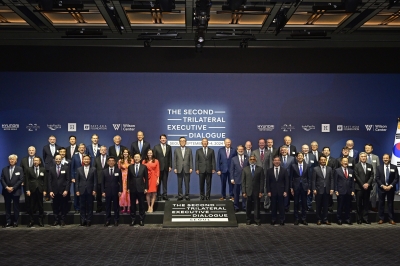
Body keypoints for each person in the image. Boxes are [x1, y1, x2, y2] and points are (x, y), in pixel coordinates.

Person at [1, 154, 24, 227]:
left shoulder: (19, 169)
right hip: (6, 191)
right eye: (10, 159)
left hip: (16, 191)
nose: (11, 160)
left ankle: (15, 221)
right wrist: (6, 187)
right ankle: (8, 221)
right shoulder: (4, 169)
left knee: (16, 207)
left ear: (16, 161)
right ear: (8, 161)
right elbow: (2, 179)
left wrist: (13, 188)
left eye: (13, 159)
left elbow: (21, 179)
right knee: (7, 207)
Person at [376, 154, 399, 225]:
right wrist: (382, 186)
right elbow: (377, 178)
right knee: (381, 203)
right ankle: (381, 218)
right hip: (381, 188)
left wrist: (391, 186)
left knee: (390, 204)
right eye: (384, 158)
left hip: (391, 189)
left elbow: (396, 178)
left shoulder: (394, 167)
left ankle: (391, 219)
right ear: (382, 159)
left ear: (390, 159)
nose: (385, 159)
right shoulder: (379, 167)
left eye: (386, 158)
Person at [20, 146, 43, 215]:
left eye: (32, 150)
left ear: (35, 151)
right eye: (30, 150)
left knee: (36, 197)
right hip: (26, 181)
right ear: (28, 151)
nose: (31, 151)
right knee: (27, 197)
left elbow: (42, 169)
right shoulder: (23, 160)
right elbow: (21, 171)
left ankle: (35, 210)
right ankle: (28, 210)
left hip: (36, 182)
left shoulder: (39, 159)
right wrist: (22, 180)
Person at [242, 155, 264, 225]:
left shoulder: (260, 169)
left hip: (257, 191)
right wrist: (243, 191)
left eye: (253, 159)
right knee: (248, 206)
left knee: (257, 206)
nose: (252, 160)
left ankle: (257, 220)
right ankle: (248, 220)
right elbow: (243, 181)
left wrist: (261, 191)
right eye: (251, 159)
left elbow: (262, 181)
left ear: (256, 160)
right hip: (248, 191)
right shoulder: (245, 169)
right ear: (249, 160)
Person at [48, 154, 70, 226]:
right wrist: (50, 191)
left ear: (61, 159)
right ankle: (56, 220)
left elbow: (68, 180)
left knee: (63, 207)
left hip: (63, 191)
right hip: (54, 191)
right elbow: (49, 181)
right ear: (54, 160)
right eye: (56, 159)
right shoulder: (51, 168)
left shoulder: (66, 168)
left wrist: (66, 190)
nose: (58, 160)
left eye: (59, 159)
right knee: (55, 207)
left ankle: (62, 220)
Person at [266, 156, 289, 226]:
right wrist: (268, 191)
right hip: (272, 191)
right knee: (273, 206)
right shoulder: (269, 170)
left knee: (281, 207)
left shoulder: (284, 170)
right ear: (273, 162)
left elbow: (287, 182)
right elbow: (267, 182)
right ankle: (273, 219)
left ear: (280, 162)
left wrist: (286, 191)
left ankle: (282, 220)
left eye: (278, 160)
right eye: (275, 160)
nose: (276, 162)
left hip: (281, 191)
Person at [76, 154, 97, 227]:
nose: (86, 160)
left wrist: (94, 190)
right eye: (85, 159)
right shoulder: (79, 169)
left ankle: (89, 220)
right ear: (83, 160)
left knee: (90, 206)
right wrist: (77, 190)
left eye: (88, 159)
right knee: (82, 206)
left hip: (90, 190)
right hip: (81, 190)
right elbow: (77, 181)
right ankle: (82, 220)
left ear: (90, 160)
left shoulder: (93, 169)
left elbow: (95, 181)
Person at [25, 157, 47, 227]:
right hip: (32, 190)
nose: (35, 162)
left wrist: (44, 190)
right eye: (34, 160)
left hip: (40, 190)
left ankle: (40, 220)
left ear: (40, 162)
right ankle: (31, 220)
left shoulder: (43, 169)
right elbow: (27, 181)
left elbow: (45, 181)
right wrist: (27, 190)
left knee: (40, 206)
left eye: (37, 160)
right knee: (31, 206)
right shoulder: (29, 169)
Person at [127, 154, 148, 226]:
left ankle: (141, 220)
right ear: (133, 158)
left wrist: (146, 188)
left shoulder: (144, 167)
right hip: (132, 189)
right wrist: (128, 188)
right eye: (135, 157)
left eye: (138, 157)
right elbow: (128, 179)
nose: (136, 158)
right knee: (132, 205)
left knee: (142, 205)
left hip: (141, 188)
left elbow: (146, 178)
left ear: (140, 158)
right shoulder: (130, 167)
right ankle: (133, 219)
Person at [312, 155, 334, 225]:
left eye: (324, 160)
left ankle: (325, 219)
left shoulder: (329, 169)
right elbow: (313, 180)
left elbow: (331, 179)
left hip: (327, 190)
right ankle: (318, 219)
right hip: (318, 190)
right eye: (321, 160)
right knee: (318, 205)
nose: (323, 161)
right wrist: (314, 189)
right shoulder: (315, 169)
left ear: (326, 161)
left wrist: (332, 188)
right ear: (319, 161)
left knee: (326, 206)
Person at [290, 153, 310, 225]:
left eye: (301, 156)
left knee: (304, 204)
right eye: (299, 156)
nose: (300, 157)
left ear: (303, 157)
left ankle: (304, 219)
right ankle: (296, 219)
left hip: (304, 187)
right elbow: (291, 177)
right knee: (296, 203)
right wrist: (291, 187)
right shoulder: (293, 166)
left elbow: (308, 178)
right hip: (296, 186)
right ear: (296, 158)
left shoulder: (307, 165)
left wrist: (309, 188)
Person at [354, 152, 374, 224]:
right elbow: (356, 176)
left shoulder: (370, 166)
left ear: (366, 158)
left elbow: (372, 176)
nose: (363, 158)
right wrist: (363, 184)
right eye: (362, 156)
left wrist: (368, 184)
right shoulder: (356, 166)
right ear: (359, 157)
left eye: (365, 156)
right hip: (359, 188)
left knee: (366, 203)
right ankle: (359, 218)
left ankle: (365, 218)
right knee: (358, 204)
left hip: (367, 188)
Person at [102, 156, 122, 226]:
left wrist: (120, 191)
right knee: (107, 206)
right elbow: (102, 182)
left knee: (116, 206)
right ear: (107, 162)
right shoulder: (104, 171)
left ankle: (116, 220)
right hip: (107, 191)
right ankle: (108, 220)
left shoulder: (118, 170)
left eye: (112, 161)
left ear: (115, 162)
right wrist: (103, 191)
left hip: (115, 191)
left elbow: (120, 181)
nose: (111, 162)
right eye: (109, 161)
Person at [334, 157, 355, 225]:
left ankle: (347, 219)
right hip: (340, 191)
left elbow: (352, 182)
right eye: (344, 161)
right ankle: (339, 219)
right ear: (341, 162)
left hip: (349, 191)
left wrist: (353, 190)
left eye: (346, 161)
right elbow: (335, 181)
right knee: (340, 206)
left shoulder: (351, 171)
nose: (345, 163)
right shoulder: (337, 170)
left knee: (348, 206)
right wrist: (336, 190)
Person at [153, 134, 172, 201]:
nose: (163, 139)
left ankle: (165, 195)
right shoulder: (156, 147)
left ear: (166, 139)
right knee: (158, 182)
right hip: (158, 168)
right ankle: (158, 195)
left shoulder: (169, 147)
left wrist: (170, 166)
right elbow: (154, 158)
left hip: (166, 167)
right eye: (162, 138)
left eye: (164, 138)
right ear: (160, 139)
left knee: (165, 182)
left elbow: (170, 157)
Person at [230, 145, 248, 212]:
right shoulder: (233, 159)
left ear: (244, 150)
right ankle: (236, 207)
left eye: (242, 149)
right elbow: (231, 170)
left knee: (244, 194)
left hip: (245, 179)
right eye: (239, 149)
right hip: (236, 179)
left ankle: (244, 207)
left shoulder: (247, 158)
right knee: (236, 194)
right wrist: (232, 178)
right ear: (237, 150)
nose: (240, 150)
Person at [42, 135, 60, 201]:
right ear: (48, 140)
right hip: (48, 167)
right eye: (51, 139)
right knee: (47, 181)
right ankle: (47, 196)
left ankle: (55, 194)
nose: (52, 140)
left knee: (55, 181)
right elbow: (44, 157)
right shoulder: (45, 147)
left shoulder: (59, 147)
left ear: (55, 140)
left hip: (56, 166)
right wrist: (47, 163)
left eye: (53, 139)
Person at [71, 143, 86, 213]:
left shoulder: (87, 156)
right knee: (76, 193)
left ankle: (83, 207)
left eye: (83, 147)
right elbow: (72, 168)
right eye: (80, 147)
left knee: (84, 193)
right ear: (78, 149)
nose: (82, 149)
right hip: (76, 177)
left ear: (85, 149)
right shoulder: (75, 156)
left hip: (85, 178)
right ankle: (76, 207)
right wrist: (73, 177)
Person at [364, 143, 380, 212]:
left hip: (374, 179)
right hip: (365, 179)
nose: (367, 149)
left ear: (372, 149)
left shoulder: (376, 157)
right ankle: (365, 207)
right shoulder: (362, 156)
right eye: (366, 148)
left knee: (373, 194)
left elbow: (378, 168)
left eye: (369, 148)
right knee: (365, 194)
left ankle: (373, 206)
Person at [322, 146, 338, 212]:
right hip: (322, 180)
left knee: (330, 195)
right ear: (322, 151)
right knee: (322, 194)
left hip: (330, 179)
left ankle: (330, 207)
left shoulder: (334, 160)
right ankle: (323, 207)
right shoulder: (320, 159)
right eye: (325, 150)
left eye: (327, 150)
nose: (326, 151)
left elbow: (335, 170)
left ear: (329, 152)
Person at [302, 144, 317, 212]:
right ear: (302, 149)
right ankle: (302, 206)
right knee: (302, 193)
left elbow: (316, 167)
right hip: (302, 177)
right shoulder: (299, 156)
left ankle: (309, 206)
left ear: (308, 149)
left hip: (311, 177)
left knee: (310, 192)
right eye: (304, 148)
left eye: (307, 148)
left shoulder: (313, 156)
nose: (305, 150)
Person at [279, 145, 294, 212]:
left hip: (289, 178)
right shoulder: (278, 158)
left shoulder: (292, 158)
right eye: (282, 150)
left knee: (287, 192)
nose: (284, 151)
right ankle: (280, 207)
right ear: (280, 151)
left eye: (285, 150)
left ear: (287, 151)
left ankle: (286, 207)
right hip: (279, 178)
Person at [118, 148, 132, 213]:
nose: (125, 153)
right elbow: (118, 170)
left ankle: (129, 207)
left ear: (128, 153)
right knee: (123, 192)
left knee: (128, 192)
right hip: (122, 178)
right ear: (122, 153)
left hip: (129, 177)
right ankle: (123, 207)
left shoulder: (131, 160)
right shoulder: (120, 161)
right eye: (124, 152)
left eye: (127, 152)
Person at [94, 145, 108, 213]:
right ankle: (99, 207)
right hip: (99, 179)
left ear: (106, 150)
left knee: (108, 195)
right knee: (99, 195)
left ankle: (107, 208)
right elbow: (94, 169)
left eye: (104, 149)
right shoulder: (96, 159)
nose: (103, 151)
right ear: (100, 151)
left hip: (108, 180)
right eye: (102, 150)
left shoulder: (109, 158)